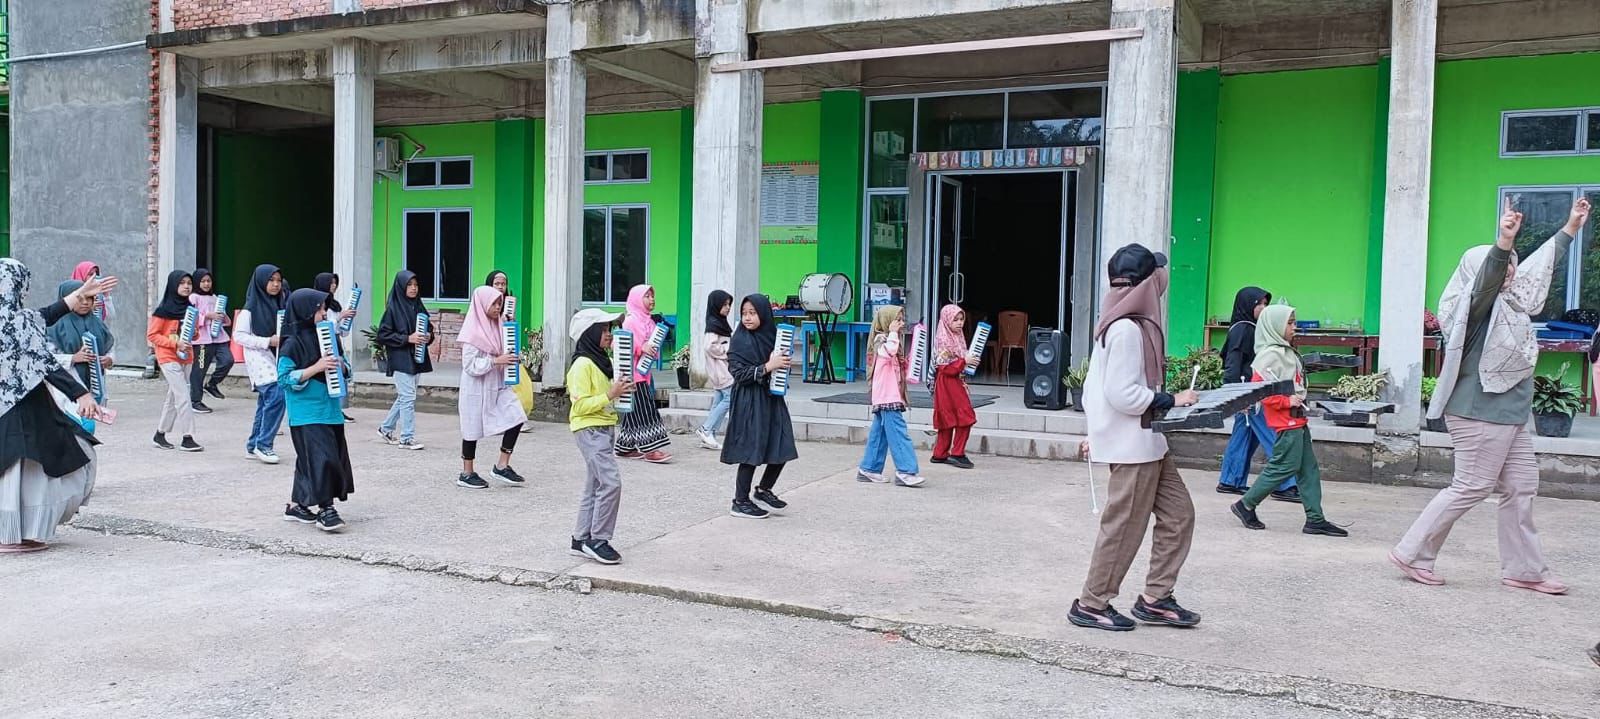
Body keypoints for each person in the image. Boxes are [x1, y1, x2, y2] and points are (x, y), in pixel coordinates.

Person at [1391, 196, 1590, 595]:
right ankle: (1413, 553)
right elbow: (1487, 280)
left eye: (1512, 263)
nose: (1511, 271)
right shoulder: (1474, 309)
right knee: (1471, 486)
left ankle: (1525, 570)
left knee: (1520, 488)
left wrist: (1570, 229)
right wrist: (1502, 243)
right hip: (1479, 413)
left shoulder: (1514, 305)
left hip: (1509, 415)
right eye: (1504, 265)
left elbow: (1537, 267)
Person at [1069, 244, 1202, 632]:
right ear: (1149, 283)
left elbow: (1097, 389)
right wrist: (1172, 399)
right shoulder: (1126, 328)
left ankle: (1155, 599)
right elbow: (1122, 395)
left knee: (1179, 516)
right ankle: (1092, 603)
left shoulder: (1131, 323)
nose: (1164, 280)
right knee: (1124, 527)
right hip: (1132, 446)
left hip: (1150, 443)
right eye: (1158, 275)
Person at [0, 259, 102, 553]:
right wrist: (80, 393)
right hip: (26, 409)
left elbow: (46, 314)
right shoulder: (18, 322)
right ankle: (19, 534)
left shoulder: (23, 320)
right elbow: (43, 362)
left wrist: (77, 295)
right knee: (33, 471)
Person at [1228, 305, 1348, 537]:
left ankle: (1315, 519)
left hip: (1297, 419)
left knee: (1308, 469)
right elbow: (1259, 390)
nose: (1295, 327)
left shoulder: (1285, 352)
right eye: (1290, 323)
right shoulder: (1270, 355)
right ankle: (1246, 504)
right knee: (1284, 466)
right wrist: (1286, 401)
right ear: (1275, 326)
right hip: (1286, 421)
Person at [276, 288, 354, 533]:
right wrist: (315, 368)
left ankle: (298, 506)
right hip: (306, 412)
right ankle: (326, 509)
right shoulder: (291, 343)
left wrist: (341, 368)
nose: (323, 313)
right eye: (319, 309)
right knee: (323, 458)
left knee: (310, 459)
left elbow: (347, 368)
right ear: (305, 311)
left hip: (330, 408)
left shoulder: (329, 337)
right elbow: (284, 379)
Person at [1215, 286, 1299, 501]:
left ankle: (1230, 480)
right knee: (1272, 435)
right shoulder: (1243, 329)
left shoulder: (1252, 327)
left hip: (1251, 392)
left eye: (1265, 304)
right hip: (1250, 392)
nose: (1263, 308)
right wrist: (1236, 395)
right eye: (1258, 304)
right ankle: (1284, 484)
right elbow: (1232, 364)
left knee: (1245, 435)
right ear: (1247, 306)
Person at [721, 294, 799, 519]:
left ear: (764, 314)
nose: (747, 318)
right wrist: (767, 366)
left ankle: (764, 489)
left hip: (771, 398)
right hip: (749, 400)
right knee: (750, 450)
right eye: (744, 313)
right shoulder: (740, 340)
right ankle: (740, 501)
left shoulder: (772, 337)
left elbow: (776, 364)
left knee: (782, 444)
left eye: (752, 313)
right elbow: (738, 374)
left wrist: (781, 366)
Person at [566, 307, 633, 564]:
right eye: (603, 329)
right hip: (589, 429)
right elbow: (579, 406)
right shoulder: (582, 365)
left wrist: (621, 390)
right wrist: (610, 394)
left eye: (609, 329)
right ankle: (598, 539)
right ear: (590, 333)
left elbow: (606, 397)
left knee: (594, 485)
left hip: (604, 427)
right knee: (611, 482)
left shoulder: (603, 361)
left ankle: (581, 538)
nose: (608, 335)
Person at [454, 285, 528, 490]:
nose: (498, 307)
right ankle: (466, 472)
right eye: (494, 303)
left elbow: (505, 351)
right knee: (471, 428)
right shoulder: (471, 333)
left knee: (517, 416)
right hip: (476, 387)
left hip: (497, 384)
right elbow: (469, 366)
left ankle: (502, 465)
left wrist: (511, 358)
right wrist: (496, 361)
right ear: (482, 304)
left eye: (500, 303)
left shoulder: (499, 327)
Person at [856, 305, 926, 487]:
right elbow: (888, 353)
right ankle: (906, 471)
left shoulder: (891, 340)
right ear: (887, 321)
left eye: (902, 320)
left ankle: (869, 468)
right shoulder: (881, 340)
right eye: (898, 320)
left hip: (889, 395)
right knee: (898, 433)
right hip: (887, 396)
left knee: (880, 434)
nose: (902, 324)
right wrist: (893, 333)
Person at [235, 264, 289, 464]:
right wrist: (267, 341)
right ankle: (264, 444)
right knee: (277, 395)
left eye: (278, 281)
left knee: (266, 402)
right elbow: (239, 336)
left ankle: (253, 445)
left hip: (276, 357)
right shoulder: (249, 310)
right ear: (260, 282)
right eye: (271, 280)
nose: (275, 285)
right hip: (258, 358)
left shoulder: (280, 305)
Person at [614, 284, 672, 462]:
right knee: (645, 410)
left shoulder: (650, 322)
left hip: (644, 373)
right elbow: (619, 344)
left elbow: (651, 345)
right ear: (637, 300)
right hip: (631, 373)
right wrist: (641, 348)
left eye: (652, 296)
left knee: (634, 411)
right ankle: (650, 450)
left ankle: (625, 448)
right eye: (647, 296)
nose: (651, 299)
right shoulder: (630, 321)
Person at [146, 270, 203, 452]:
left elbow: (195, 334)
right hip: (168, 357)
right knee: (183, 395)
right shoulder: (162, 311)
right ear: (173, 285)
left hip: (187, 357)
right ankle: (188, 437)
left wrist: (192, 332)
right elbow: (152, 336)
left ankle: (160, 434)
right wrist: (174, 343)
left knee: (173, 397)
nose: (186, 286)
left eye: (189, 283)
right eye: (182, 283)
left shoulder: (191, 309)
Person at [377, 270, 433, 451]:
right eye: (409, 285)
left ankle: (386, 428)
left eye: (416, 285)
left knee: (405, 397)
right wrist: (407, 339)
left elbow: (429, 328)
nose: (413, 288)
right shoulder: (392, 309)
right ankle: (407, 438)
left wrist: (427, 336)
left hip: (417, 357)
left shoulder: (418, 306)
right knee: (408, 397)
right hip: (401, 358)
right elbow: (383, 335)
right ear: (401, 287)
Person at [47, 280, 117, 399]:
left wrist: (109, 359)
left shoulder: (97, 323)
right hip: (65, 390)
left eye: (89, 298)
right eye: (79, 299)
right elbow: (45, 358)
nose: (85, 303)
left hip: (96, 388)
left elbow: (110, 348)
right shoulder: (55, 326)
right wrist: (73, 358)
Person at [929, 304, 978, 469]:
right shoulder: (943, 339)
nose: (959, 323)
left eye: (961, 319)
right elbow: (945, 368)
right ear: (946, 320)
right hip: (947, 382)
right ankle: (957, 453)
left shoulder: (957, 336)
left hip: (954, 382)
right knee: (964, 417)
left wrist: (966, 363)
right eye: (955, 319)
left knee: (952, 417)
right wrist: (965, 361)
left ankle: (940, 454)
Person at [186, 269, 234, 414]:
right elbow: (189, 316)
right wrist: (207, 316)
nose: (206, 284)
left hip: (218, 337)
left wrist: (221, 316)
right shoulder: (193, 297)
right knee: (199, 369)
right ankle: (195, 401)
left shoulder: (214, 298)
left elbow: (225, 320)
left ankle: (212, 384)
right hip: (201, 339)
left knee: (228, 360)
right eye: (203, 281)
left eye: (209, 281)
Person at [312, 273, 358, 423]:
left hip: (337, 342)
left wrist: (347, 319)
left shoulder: (335, 305)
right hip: (325, 344)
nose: (333, 286)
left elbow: (342, 332)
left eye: (335, 283)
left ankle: (339, 409)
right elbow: (322, 326)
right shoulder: (317, 304)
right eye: (330, 283)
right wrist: (340, 317)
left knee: (341, 375)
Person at [694, 289, 734, 451]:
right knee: (729, 398)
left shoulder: (719, 323)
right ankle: (706, 429)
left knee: (718, 401)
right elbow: (709, 346)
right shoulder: (714, 326)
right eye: (724, 304)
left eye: (729, 304)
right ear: (715, 305)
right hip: (721, 371)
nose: (727, 308)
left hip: (720, 370)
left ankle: (710, 434)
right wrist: (727, 350)